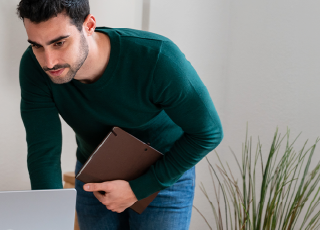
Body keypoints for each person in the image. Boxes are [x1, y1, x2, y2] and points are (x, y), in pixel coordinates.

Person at [16, 0, 223, 229]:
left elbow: (208, 132)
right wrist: (49, 218)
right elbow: (43, 150)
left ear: (89, 25)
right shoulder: (34, 67)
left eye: (59, 43)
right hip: (95, 176)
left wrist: (139, 189)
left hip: (163, 175)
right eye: (36, 45)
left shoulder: (157, 58)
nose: (49, 62)